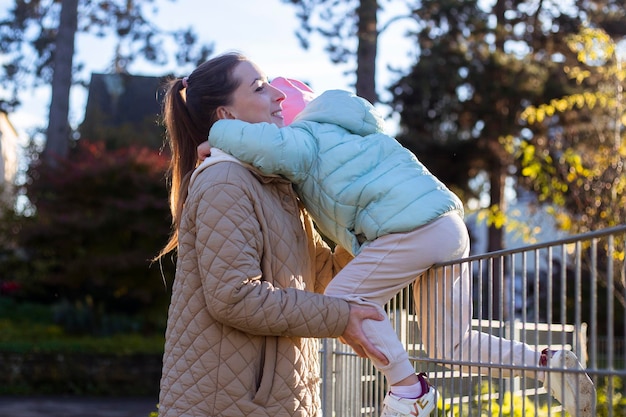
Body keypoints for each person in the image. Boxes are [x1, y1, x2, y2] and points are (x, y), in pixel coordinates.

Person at [199, 75, 597, 416]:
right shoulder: (352, 129)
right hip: (448, 226)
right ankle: (547, 364)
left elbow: (272, 149)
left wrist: (217, 136)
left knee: (343, 299)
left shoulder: (305, 135)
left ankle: (409, 391)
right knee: (452, 343)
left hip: (411, 228)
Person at [155, 51, 390, 417]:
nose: (279, 95)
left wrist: (372, 218)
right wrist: (341, 318)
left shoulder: (278, 187)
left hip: (275, 401)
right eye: (260, 88)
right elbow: (235, 297)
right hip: (227, 405)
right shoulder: (225, 181)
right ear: (227, 115)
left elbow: (324, 280)